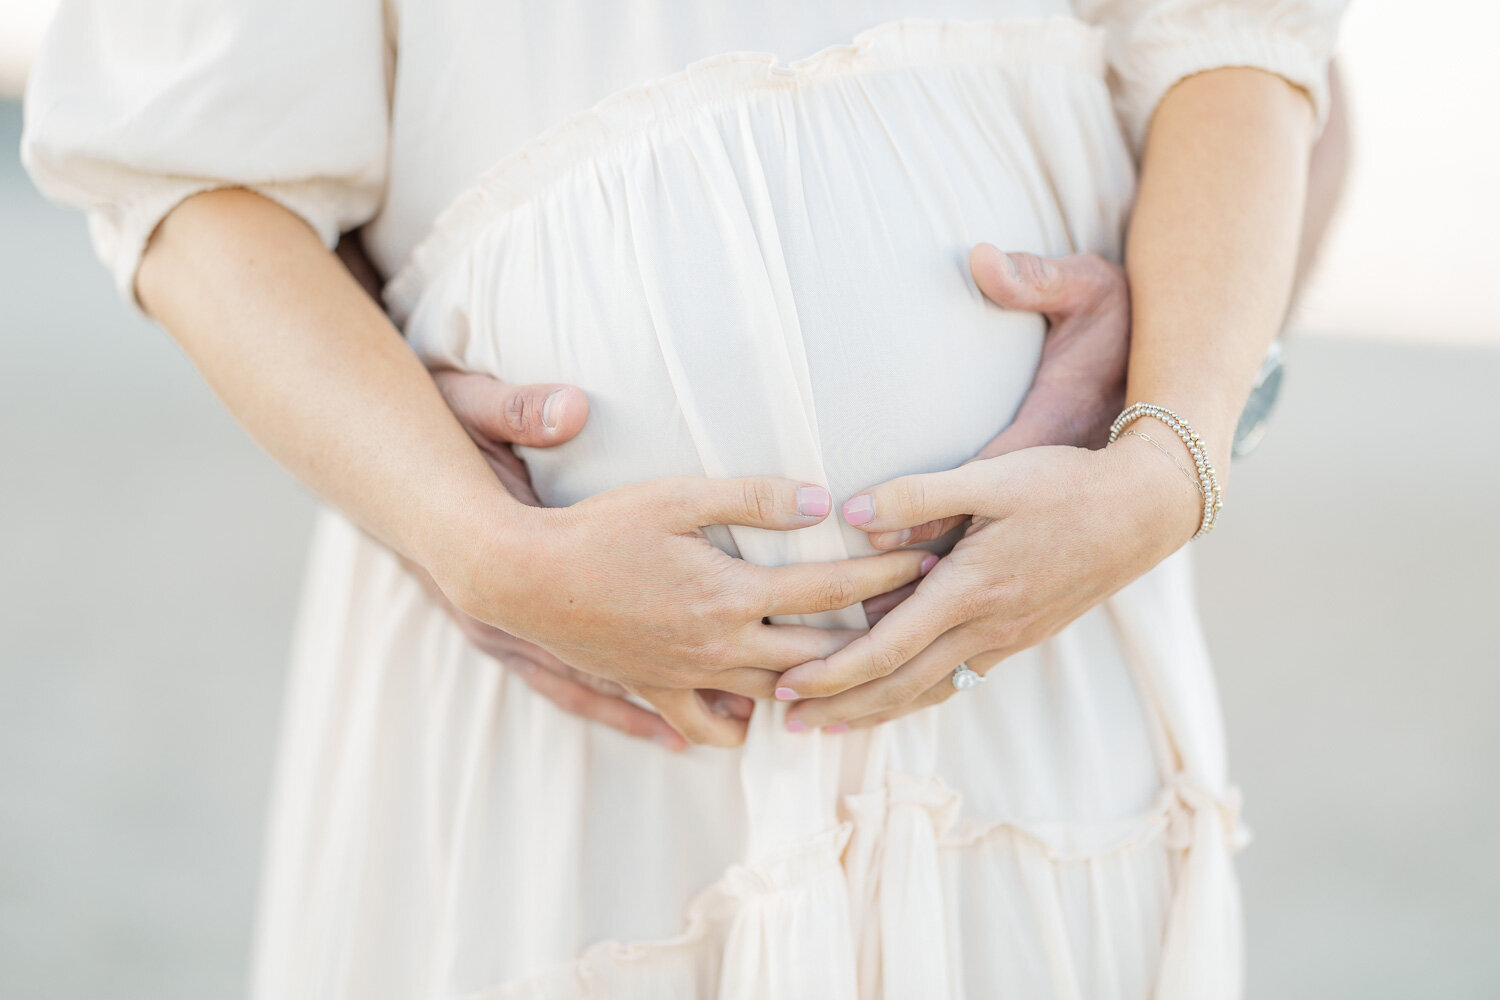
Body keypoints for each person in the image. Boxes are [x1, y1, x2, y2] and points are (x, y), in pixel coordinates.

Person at [23, 2, 1346, 996]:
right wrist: (469, 540)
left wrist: (1176, 454)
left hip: (1033, 686)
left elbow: (1247, 50)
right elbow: (186, 170)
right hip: (564, 725)